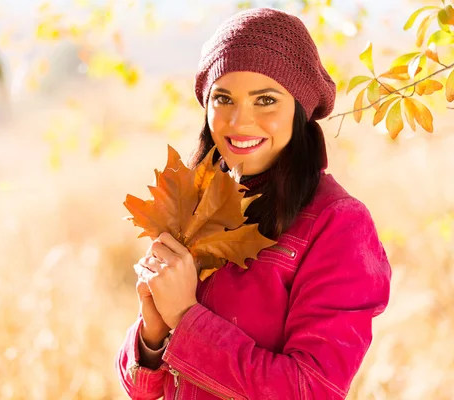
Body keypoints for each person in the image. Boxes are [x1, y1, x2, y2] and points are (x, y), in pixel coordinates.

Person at [115, 7, 391, 400]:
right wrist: (152, 333)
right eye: (223, 98)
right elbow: (142, 390)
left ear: (299, 109)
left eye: (265, 100)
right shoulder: (196, 205)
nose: (239, 121)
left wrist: (185, 318)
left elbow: (312, 390)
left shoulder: (338, 224)